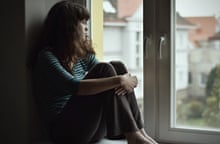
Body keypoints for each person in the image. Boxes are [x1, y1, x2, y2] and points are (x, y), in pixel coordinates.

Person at [30, 1, 158, 144]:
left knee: (117, 66)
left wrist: (121, 78)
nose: (86, 28)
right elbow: (73, 86)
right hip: (64, 133)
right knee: (106, 70)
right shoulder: (47, 56)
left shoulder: (82, 55)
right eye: (83, 23)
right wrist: (121, 80)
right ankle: (133, 136)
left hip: (91, 129)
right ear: (68, 27)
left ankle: (139, 132)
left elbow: (110, 75)